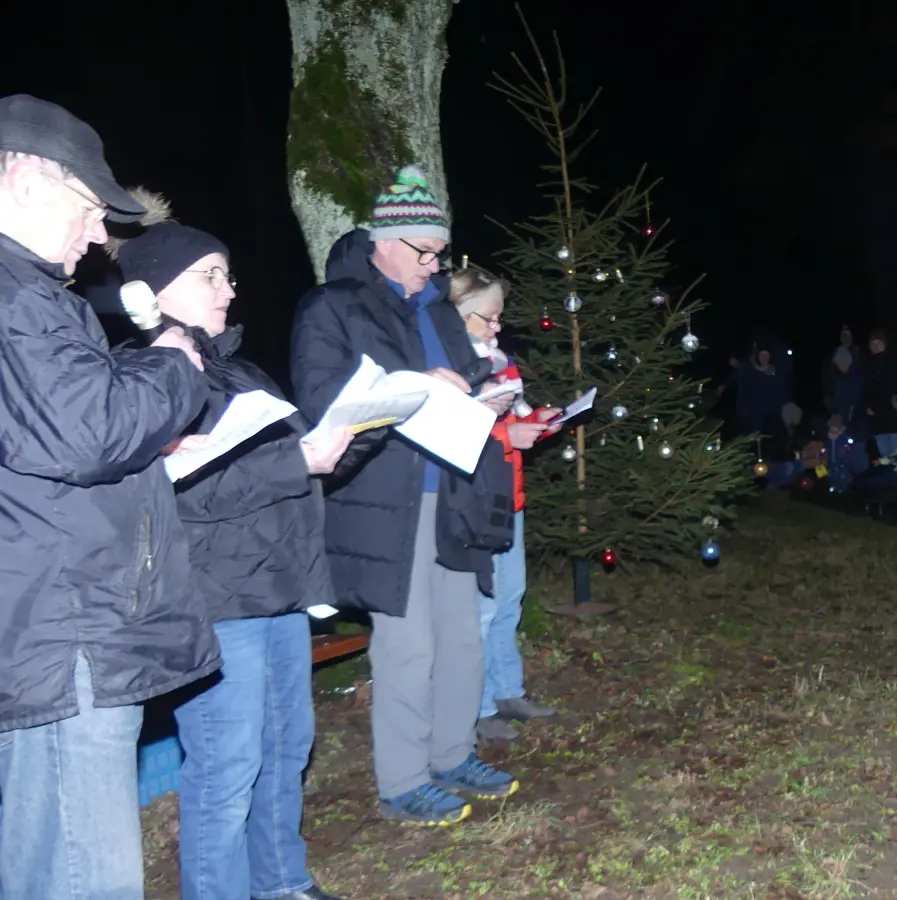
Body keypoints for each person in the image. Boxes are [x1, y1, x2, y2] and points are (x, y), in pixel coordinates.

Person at [0, 95, 215, 900]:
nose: (99, 237)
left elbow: (55, 432)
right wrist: (173, 362)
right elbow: (84, 435)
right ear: (24, 178)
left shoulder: (28, 295)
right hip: (65, 629)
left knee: (46, 860)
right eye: (91, 210)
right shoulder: (15, 296)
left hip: (59, 620)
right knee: (83, 873)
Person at [113, 194, 355, 900]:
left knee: (285, 751)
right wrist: (295, 462)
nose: (229, 288)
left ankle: (282, 883)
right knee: (226, 765)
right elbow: (180, 494)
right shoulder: (144, 376)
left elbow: (286, 478)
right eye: (210, 276)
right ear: (158, 292)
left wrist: (346, 437)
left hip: (277, 592)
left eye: (227, 274)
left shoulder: (242, 373)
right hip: (215, 604)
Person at [291, 166, 548, 825]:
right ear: (384, 241)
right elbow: (324, 409)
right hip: (390, 503)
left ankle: (453, 751)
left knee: (462, 637)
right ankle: (403, 780)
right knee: (410, 646)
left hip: (455, 492)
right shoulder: (333, 307)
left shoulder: (435, 307)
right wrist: (416, 384)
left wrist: (485, 398)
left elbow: (459, 381)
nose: (434, 270)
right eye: (423, 253)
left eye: (440, 255)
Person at [449, 269, 561, 743]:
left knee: (509, 600)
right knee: (478, 609)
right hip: (474, 503)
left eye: (498, 318)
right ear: (457, 315)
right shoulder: (449, 367)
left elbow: (516, 419)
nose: (497, 327)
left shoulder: (501, 363)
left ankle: (507, 689)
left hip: (510, 499)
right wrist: (503, 436)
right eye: (488, 318)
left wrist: (540, 421)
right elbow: (448, 434)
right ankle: (475, 707)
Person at [861, 328, 897, 456]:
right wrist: (867, 405)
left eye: (878, 342)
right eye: (872, 344)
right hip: (877, 420)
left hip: (893, 417)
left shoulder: (894, 361)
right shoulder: (868, 365)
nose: (875, 346)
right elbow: (865, 389)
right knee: (884, 456)